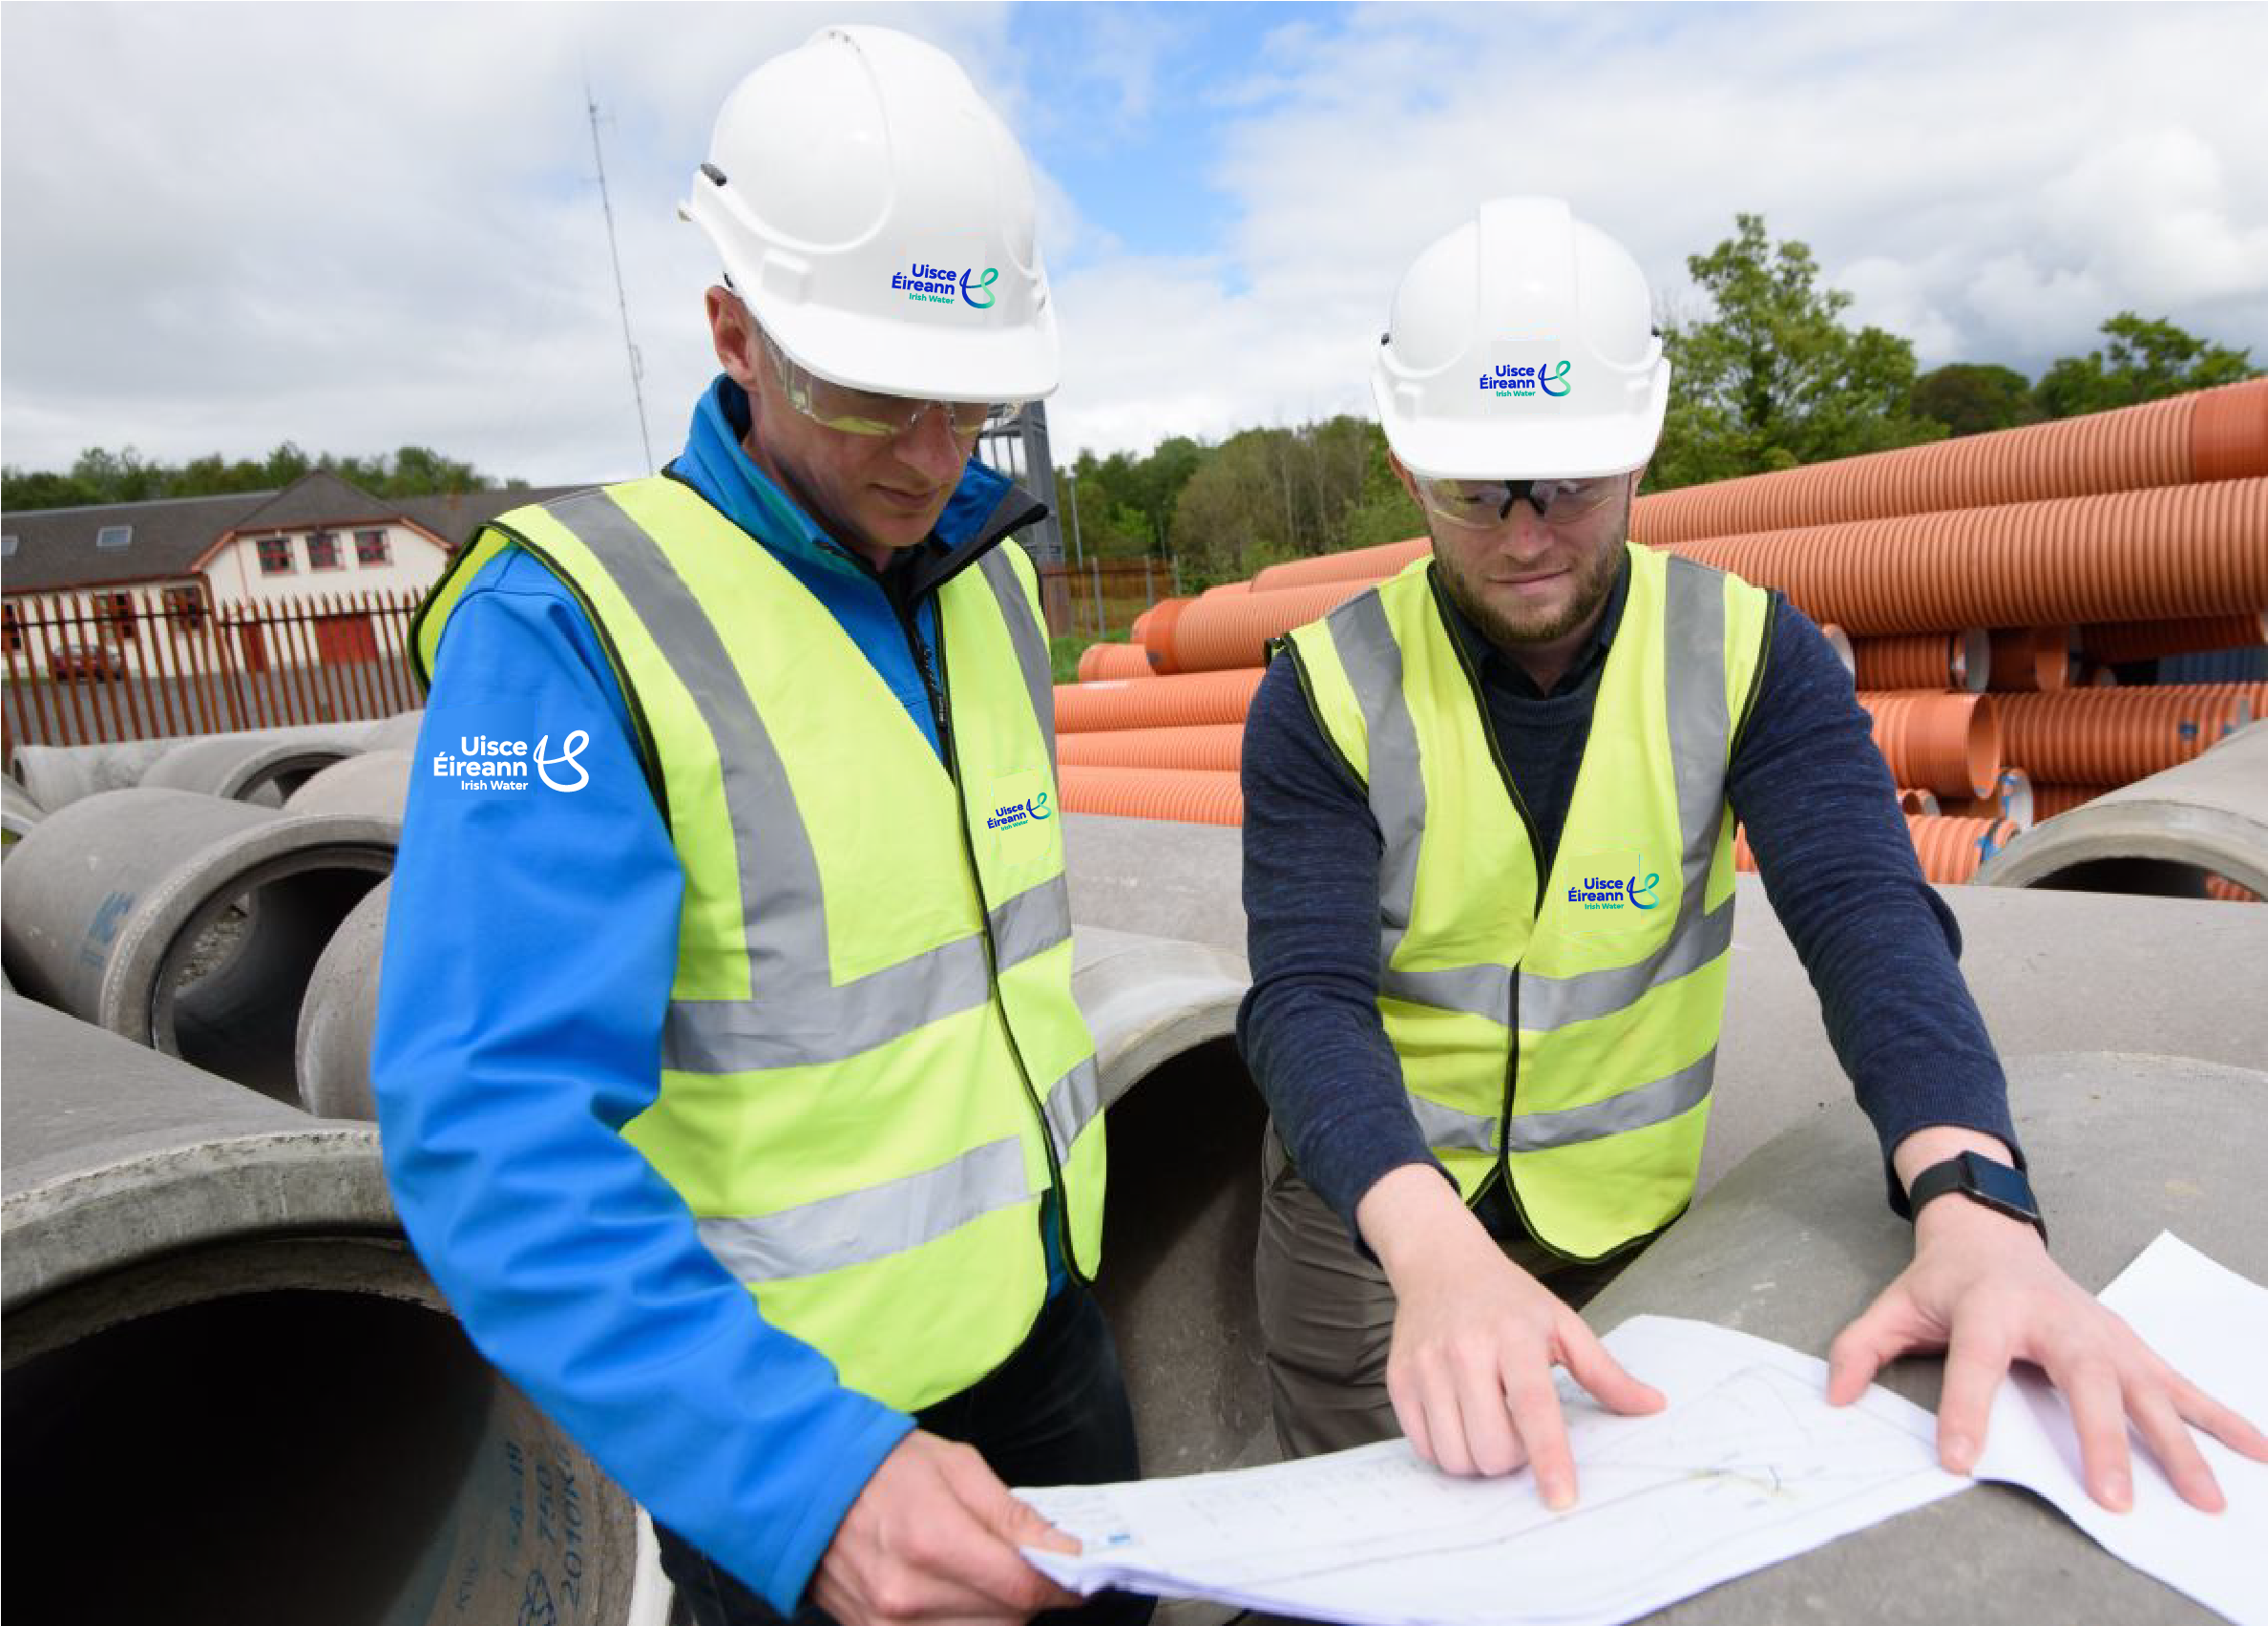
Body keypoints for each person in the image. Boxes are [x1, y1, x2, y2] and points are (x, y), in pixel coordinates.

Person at [1240, 196, 2267, 1518]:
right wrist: (1431, 1250)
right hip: (1372, 1220)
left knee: (1594, 1535)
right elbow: (1307, 997)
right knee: (1379, 1538)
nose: (1526, 531)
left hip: (1617, 1217)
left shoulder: (1746, 655)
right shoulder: (1324, 687)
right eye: (1474, 489)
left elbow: (1866, 918)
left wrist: (1974, 1202)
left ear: (1642, 452)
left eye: (1568, 483)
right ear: (1402, 465)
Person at [373, 27, 1149, 1626]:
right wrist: (804, 1476)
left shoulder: (988, 574)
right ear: (732, 328)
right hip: (796, 1443)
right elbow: (491, 1130)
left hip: (1051, 1347)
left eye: (972, 403)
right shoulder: (572, 626)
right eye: (877, 401)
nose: (937, 460)